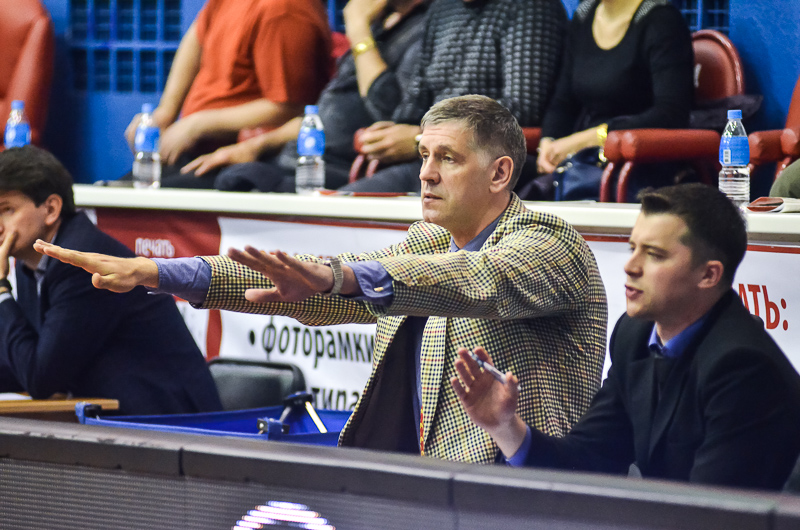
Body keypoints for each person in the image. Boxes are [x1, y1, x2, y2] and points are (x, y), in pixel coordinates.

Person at [36, 96, 607, 463]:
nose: (426, 174)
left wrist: (339, 278)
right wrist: (155, 271)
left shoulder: (551, 243)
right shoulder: (428, 241)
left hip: (529, 499)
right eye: (422, 155)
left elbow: (472, 279)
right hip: (422, 492)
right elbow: (305, 281)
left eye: (448, 159)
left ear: (500, 173)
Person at [452, 183, 800, 490]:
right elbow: (587, 460)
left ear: (708, 275)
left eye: (654, 255)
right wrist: (505, 427)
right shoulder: (635, 335)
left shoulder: (743, 368)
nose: (630, 266)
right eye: (633, 248)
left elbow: (712, 515)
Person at [0, 146, 222, 415]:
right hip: (120, 418)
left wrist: (1, 292)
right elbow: (21, 363)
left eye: (7, 209)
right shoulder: (31, 263)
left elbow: (40, 379)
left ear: (51, 209)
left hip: (170, 420)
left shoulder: (80, 262)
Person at [179, 0, 429, 192]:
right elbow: (319, 116)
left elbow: (390, 113)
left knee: (213, 184)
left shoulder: (426, 28)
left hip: (335, 172)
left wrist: (358, 30)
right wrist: (254, 147)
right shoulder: (380, 21)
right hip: (293, 160)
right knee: (193, 179)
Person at [335, 0, 568, 194]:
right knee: (343, 206)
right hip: (430, 158)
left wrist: (421, 138)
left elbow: (521, 109)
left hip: (484, 163)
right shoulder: (443, 8)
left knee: (351, 212)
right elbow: (413, 103)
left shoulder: (530, 6)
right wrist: (394, 131)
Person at [124, 0, 332, 189]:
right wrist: (166, 111)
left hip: (248, 157)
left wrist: (198, 125)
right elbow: (197, 36)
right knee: (117, 195)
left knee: (141, 206)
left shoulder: (284, 10)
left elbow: (290, 107)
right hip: (200, 149)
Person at [520, 0, 694, 201]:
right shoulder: (585, 14)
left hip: (639, 161)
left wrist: (592, 138)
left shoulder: (662, 20)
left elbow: (670, 113)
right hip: (584, 160)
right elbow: (563, 101)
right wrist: (548, 142)